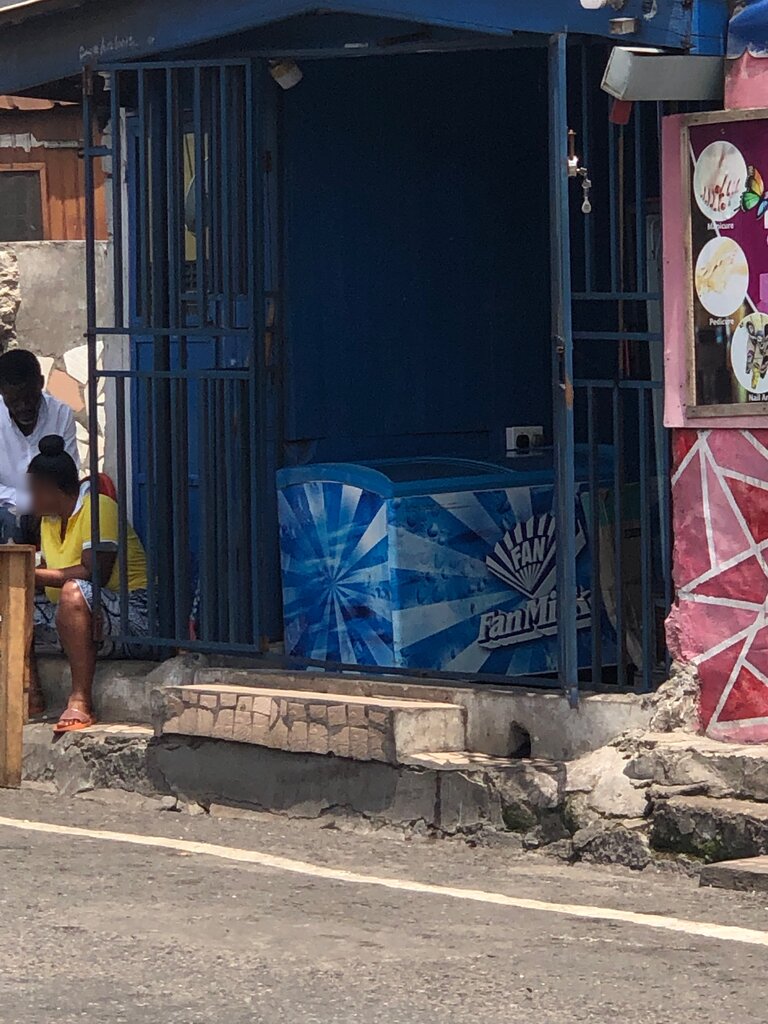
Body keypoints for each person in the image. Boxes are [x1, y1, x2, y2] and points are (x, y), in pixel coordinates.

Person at [28, 435, 149, 733]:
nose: (30, 501)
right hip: (82, 616)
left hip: (134, 614)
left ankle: (81, 699)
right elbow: (47, 573)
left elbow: (93, 573)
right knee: (13, 599)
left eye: (33, 491)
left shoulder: (99, 507)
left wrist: (33, 575)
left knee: (73, 592)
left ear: (51, 489)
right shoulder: (49, 521)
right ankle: (30, 690)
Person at [0, 349, 79, 543]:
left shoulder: (61, 414)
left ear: (41, 384)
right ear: (2, 392)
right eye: (14, 401)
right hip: (6, 507)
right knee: (11, 520)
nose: (24, 406)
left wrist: (44, 504)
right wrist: (31, 503)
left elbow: (69, 475)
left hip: (51, 506)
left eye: (30, 397)